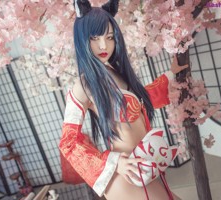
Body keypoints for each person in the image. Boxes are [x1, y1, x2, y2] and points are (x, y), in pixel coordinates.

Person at [58, 0, 188, 199]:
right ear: (82, 39)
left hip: (145, 165)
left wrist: (170, 75)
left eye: (109, 37)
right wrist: (113, 162)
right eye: (95, 38)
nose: (104, 45)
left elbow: (143, 99)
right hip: (125, 172)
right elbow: (69, 142)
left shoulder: (117, 72)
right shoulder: (83, 86)